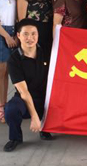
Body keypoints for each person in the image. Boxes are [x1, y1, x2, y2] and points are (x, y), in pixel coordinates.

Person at [3, 19, 53, 152]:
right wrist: (34, 116)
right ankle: (15, 138)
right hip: (25, 98)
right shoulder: (14, 60)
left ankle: (46, 128)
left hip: (47, 98)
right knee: (11, 109)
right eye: (25, 34)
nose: (30, 38)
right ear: (18, 36)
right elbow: (23, 92)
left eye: (33, 34)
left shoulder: (47, 52)